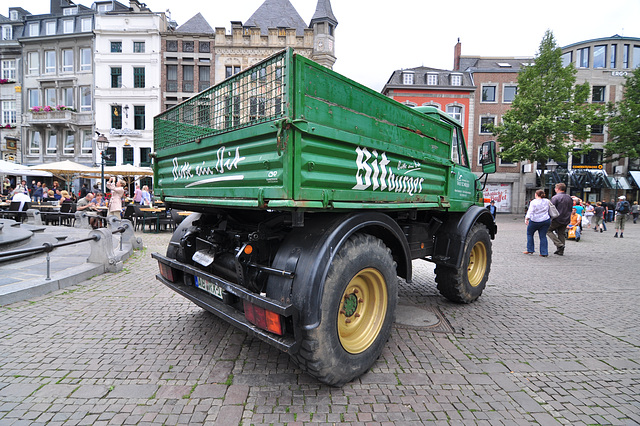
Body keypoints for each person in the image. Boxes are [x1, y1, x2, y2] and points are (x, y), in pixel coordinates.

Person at [547, 183, 574, 256]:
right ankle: (560, 251)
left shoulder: (555, 197)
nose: (555, 189)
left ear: (558, 189)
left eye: (555, 188)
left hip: (557, 218)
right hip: (566, 218)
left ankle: (559, 245)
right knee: (561, 233)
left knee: (548, 230)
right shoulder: (569, 197)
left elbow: (551, 208)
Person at [524, 189, 551, 257]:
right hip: (545, 220)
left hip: (535, 220)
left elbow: (530, 211)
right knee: (543, 236)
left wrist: (527, 218)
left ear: (536, 195)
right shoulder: (547, 201)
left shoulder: (534, 202)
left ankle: (530, 249)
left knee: (530, 234)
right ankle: (544, 252)